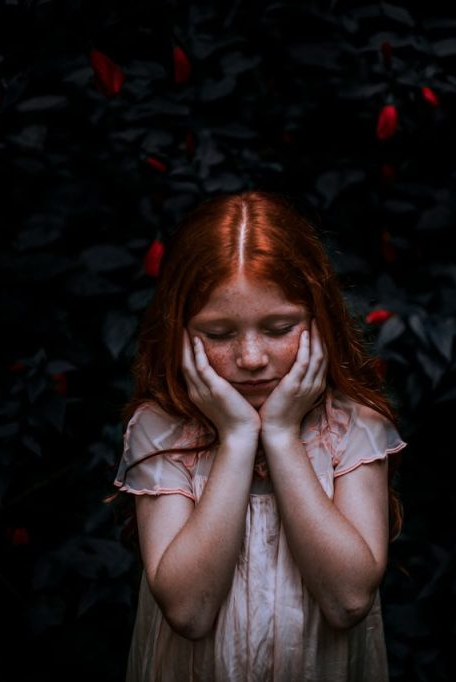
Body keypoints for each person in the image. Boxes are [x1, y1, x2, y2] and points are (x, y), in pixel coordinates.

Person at [110, 190, 407, 681]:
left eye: (279, 327)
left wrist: (285, 436)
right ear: (180, 332)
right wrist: (238, 438)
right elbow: (189, 611)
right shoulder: (161, 430)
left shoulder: (354, 428)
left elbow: (348, 600)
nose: (251, 358)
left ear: (319, 321)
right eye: (220, 334)